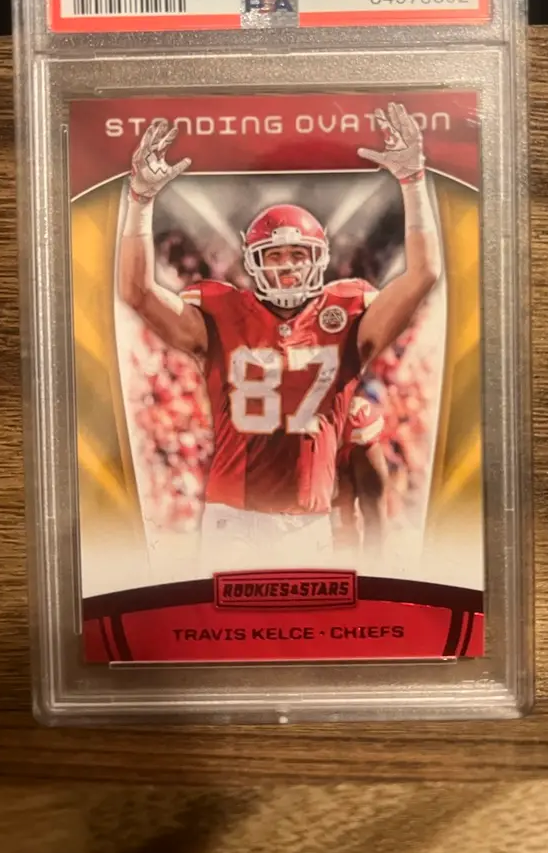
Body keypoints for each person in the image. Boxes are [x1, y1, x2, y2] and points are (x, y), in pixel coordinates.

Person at [118, 103, 441, 566]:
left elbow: (424, 274)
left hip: (308, 522)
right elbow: (136, 292)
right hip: (231, 519)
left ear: (318, 257)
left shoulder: (347, 311)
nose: (287, 266)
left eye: (297, 254)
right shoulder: (222, 311)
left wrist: (413, 182)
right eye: (274, 255)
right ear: (254, 262)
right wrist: (140, 201)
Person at [331, 396, 388, 557]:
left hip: (338, 553)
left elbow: (373, 507)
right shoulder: (270, 408)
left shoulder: (353, 420)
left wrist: (373, 565)